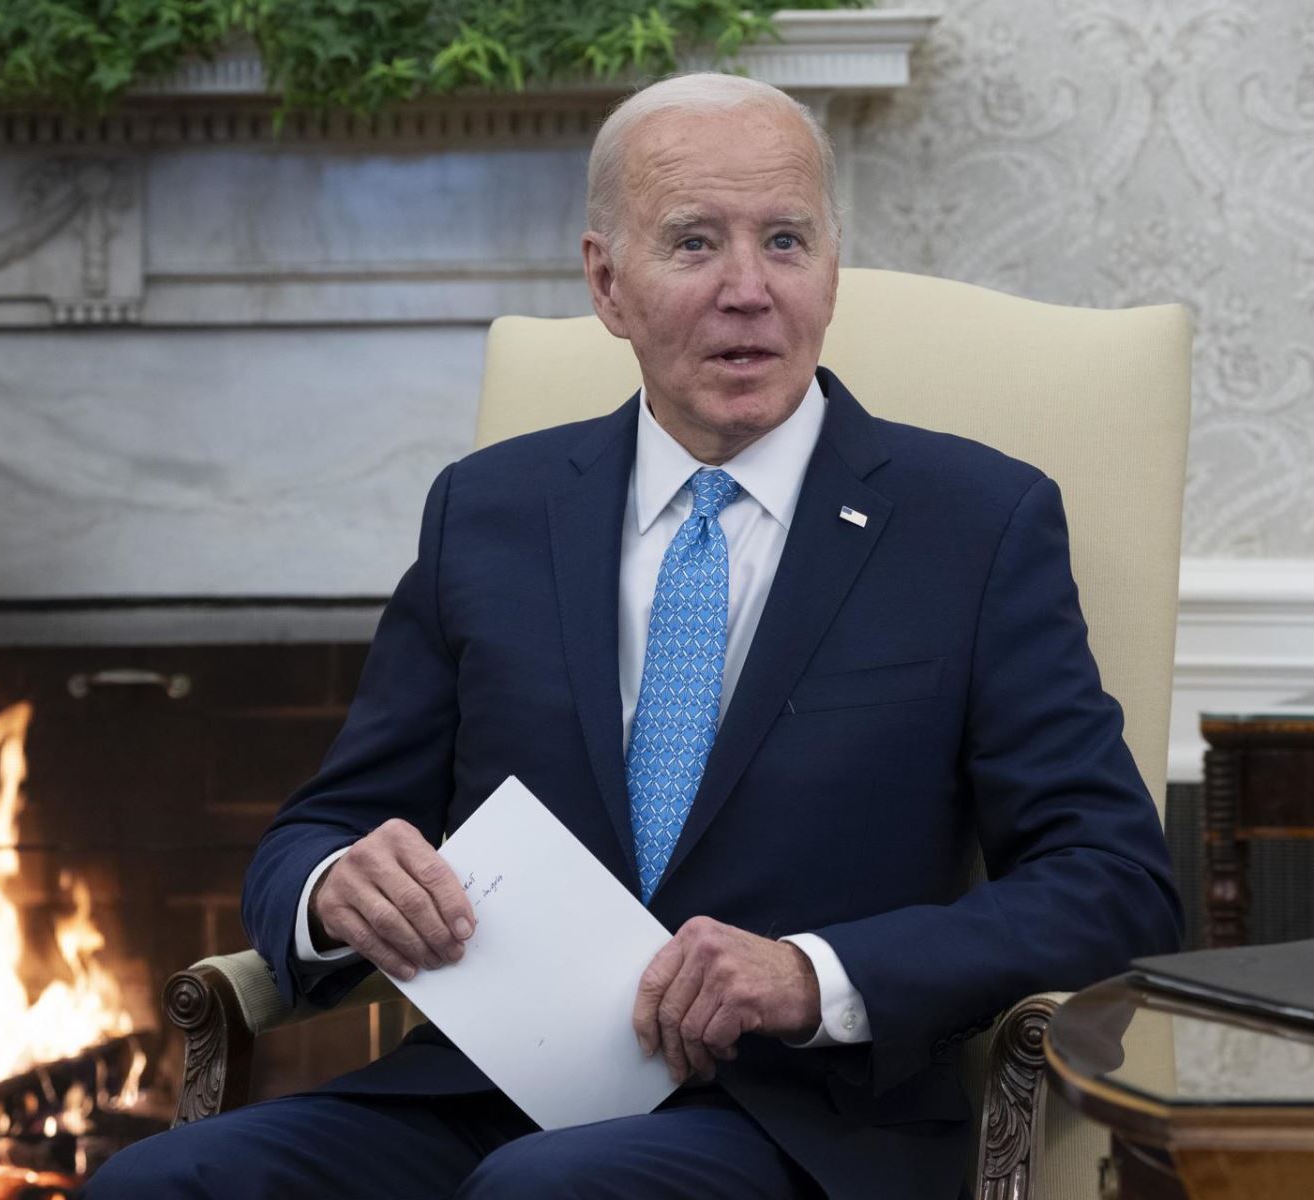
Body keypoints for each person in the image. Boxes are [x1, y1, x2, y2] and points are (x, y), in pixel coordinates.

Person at [88, 72, 1182, 1200]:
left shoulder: (974, 522)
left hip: (797, 1121)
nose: (748, 290)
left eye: (787, 241)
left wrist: (812, 976)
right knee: (157, 1185)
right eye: (695, 243)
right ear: (608, 282)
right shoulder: (490, 511)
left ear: (832, 272)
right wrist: (332, 890)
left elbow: (1112, 880)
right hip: (476, 1097)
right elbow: (327, 822)